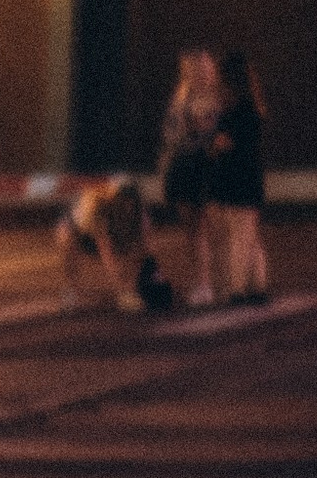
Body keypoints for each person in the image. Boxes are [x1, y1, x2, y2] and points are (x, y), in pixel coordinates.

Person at [157, 47, 221, 304]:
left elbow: (213, 130)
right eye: (195, 69)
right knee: (192, 229)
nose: (202, 73)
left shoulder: (217, 95)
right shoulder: (181, 94)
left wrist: (198, 127)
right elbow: (170, 132)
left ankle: (215, 283)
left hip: (205, 166)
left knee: (212, 227)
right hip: (182, 165)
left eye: (206, 68)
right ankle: (201, 282)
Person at [55, 174, 172, 313]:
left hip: (118, 235)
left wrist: (154, 275)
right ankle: (71, 289)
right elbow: (107, 255)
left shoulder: (141, 216)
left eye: (131, 201)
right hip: (83, 236)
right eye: (123, 201)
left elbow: (147, 250)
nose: (127, 206)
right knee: (66, 236)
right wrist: (123, 293)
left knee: (135, 252)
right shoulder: (98, 210)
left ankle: (130, 286)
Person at [206, 48, 270, 301]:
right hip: (249, 176)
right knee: (248, 236)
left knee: (233, 236)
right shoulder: (254, 108)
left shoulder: (232, 110)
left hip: (229, 176)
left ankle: (235, 287)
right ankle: (256, 285)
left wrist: (212, 144)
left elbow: (222, 143)